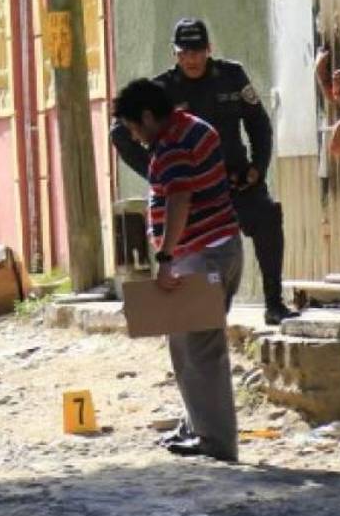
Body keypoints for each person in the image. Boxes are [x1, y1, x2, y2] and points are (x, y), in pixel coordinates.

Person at [111, 18, 297, 325]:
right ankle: (195, 318)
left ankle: (274, 303)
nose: (192, 59)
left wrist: (257, 169)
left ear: (209, 50)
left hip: (236, 181)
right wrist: (161, 176)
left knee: (267, 216)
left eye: (198, 51)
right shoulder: (162, 89)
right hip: (192, 192)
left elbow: (259, 124)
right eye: (185, 53)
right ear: (175, 55)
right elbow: (119, 131)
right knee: (191, 258)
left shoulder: (231, 76)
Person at [113, 78, 242, 461]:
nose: (135, 137)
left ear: (149, 116)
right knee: (189, 345)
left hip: (199, 255)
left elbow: (179, 200)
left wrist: (166, 257)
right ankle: (199, 427)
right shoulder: (197, 128)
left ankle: (216, 442)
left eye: (135, 127)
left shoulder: (170, 147)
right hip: (224, 247)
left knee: (201, 351)